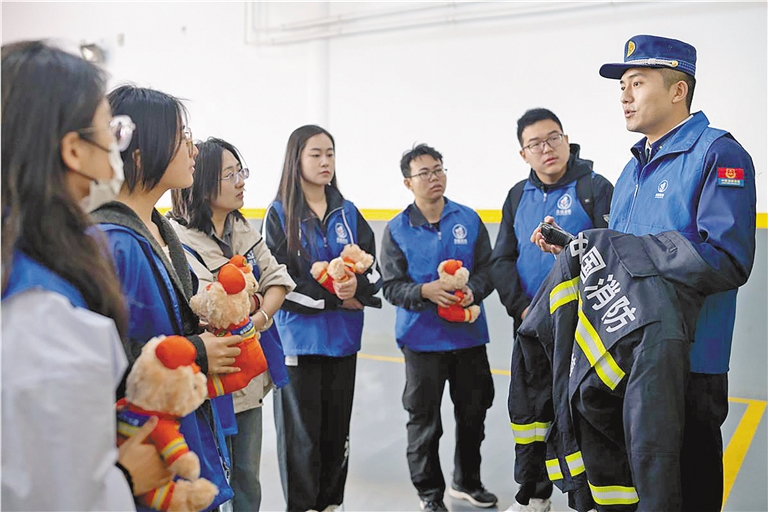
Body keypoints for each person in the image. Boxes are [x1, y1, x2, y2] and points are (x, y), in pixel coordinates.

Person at [535, 35, 756, 511]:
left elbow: (728, 258)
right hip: (625, 356)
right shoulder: (632, 170)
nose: (624, 96)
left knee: (684, 488)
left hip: (689, 363)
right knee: (635, 488)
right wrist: (576, 247)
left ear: (678, 90)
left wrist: (623, 249)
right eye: (622, 87)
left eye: (637, 83)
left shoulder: (719, 155)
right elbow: (621, 258)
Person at [1, 41, 171, 510]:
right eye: (112, 132)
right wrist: (123, 478)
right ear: (74, 150)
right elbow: (58, 495)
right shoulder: (44, 316)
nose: (118, 148)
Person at [91, 85, 244, 510]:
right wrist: (196, 352)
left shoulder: (158, 231)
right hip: (149, 453)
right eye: (182, 137)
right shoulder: (113, 243)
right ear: (140, 155)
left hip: (186, 429)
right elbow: (111, 360)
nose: (193, 149)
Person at [491, 108, 613, 512]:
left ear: (566, 139)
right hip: (533, 328)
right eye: (536, 143)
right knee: (534, 412)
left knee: (585, 411)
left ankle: (590, 498)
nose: (547, 148)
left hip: (584, 331)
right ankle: (535, 496)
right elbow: (502, 259)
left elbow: (612, 252)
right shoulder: (516, 196)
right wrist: (523, 309)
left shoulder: (594, 187)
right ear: (523, 153)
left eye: (553, 137)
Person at [168, 137, 296, 512]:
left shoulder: (242, 229)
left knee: (247, 480)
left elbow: (277, 280)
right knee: (210, 479)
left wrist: (257, 317)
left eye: (241, 172)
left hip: (249, 377)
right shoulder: (178, 241)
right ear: (205, 183)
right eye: (231, 174)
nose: (241, 181)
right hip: (210, 381)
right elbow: (208, 310)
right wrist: (252, 302)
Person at [263, 125, 382, 512]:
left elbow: (374, 270)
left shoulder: (348, 212)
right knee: (301, 438)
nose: (325, 161)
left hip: (343, 342)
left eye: (330, 153)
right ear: (295, 159)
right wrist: (335, 298)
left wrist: (357, 288)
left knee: (336, 433)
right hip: (298, 344)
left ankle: (332, 504)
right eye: (315, 154)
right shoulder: (278, 215)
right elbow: (278, 282)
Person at [380, 144, 497, 512]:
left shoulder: (469, 219)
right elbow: (390, 286)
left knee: (473, 414)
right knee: (424, 422)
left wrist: (474, 290)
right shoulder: (397, 229)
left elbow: (488, 269)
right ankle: (430, 494)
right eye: (424, 173)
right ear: (408, 182)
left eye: (438, 169)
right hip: (421, 341)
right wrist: (424, 291)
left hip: (469, 338)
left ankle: (467, 482)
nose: (434, 178)